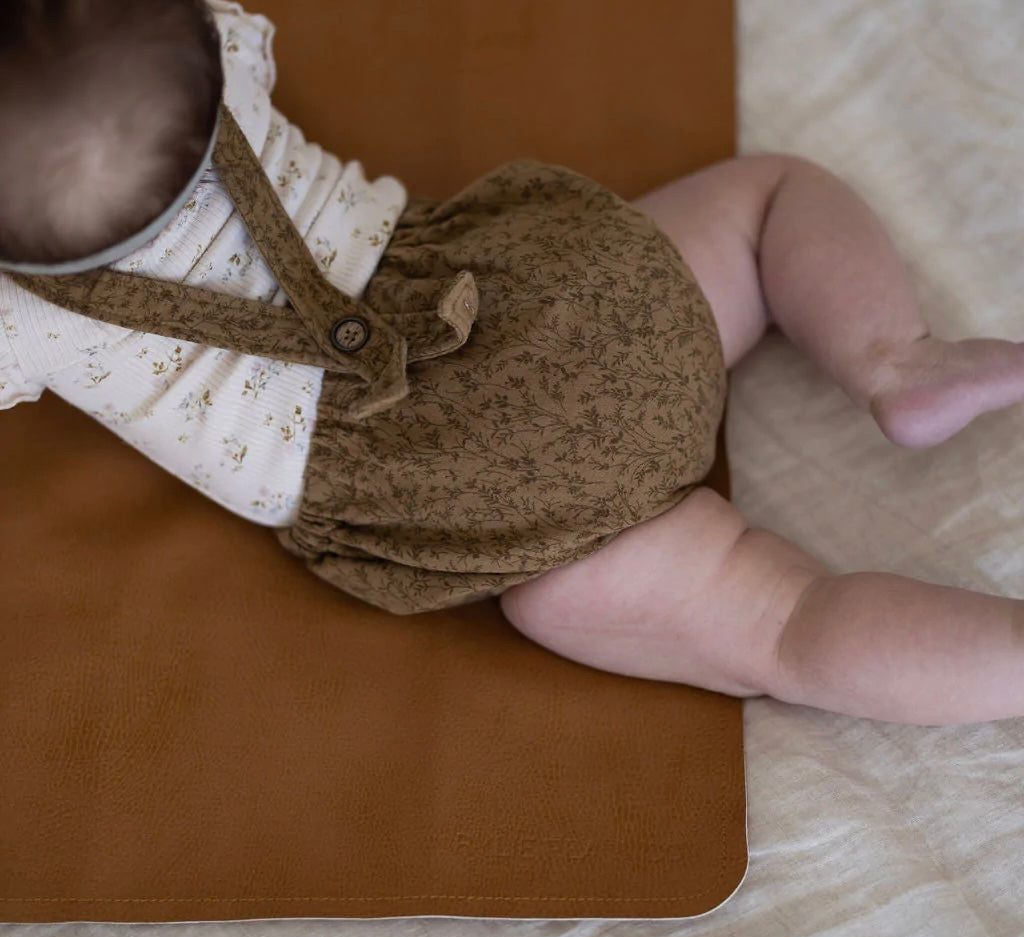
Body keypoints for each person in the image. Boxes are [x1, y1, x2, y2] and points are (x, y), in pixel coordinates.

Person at [2, 0, 1023, 726]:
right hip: (551, 305)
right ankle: (894, 358)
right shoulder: (217, 56)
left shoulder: (20, 314)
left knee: (787, 628)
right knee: (766, 198)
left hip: (467, 489)